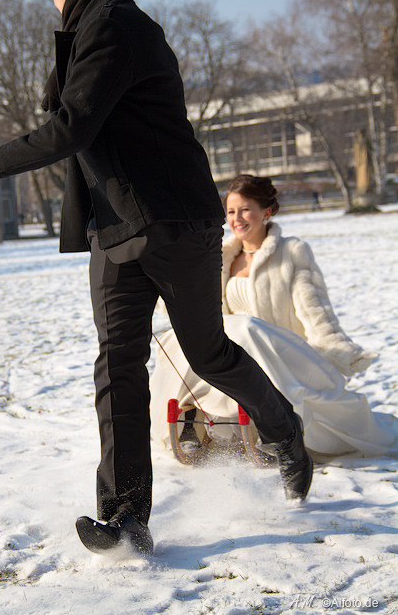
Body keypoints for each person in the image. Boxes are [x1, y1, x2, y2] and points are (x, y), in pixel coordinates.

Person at [0, 0, 312, 556]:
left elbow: (71, 125)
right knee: (118, 364)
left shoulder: (117, 26)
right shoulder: (95, 29)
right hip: (117, 227)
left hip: (172, 221)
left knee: (205, 353)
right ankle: (127, 514)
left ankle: (283, 427)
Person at [150, 175, 398, 459]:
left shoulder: (292, 252)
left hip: (279, 350)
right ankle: (191, 419)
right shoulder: (218, 256)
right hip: (234, 346)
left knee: (241, 329)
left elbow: (313, 307)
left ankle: (272, 429)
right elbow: (193, 304)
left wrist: (336, 347)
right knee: (184, 337)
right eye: (231, 212)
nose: (237, 218)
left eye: (245, 209)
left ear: (266, 212)